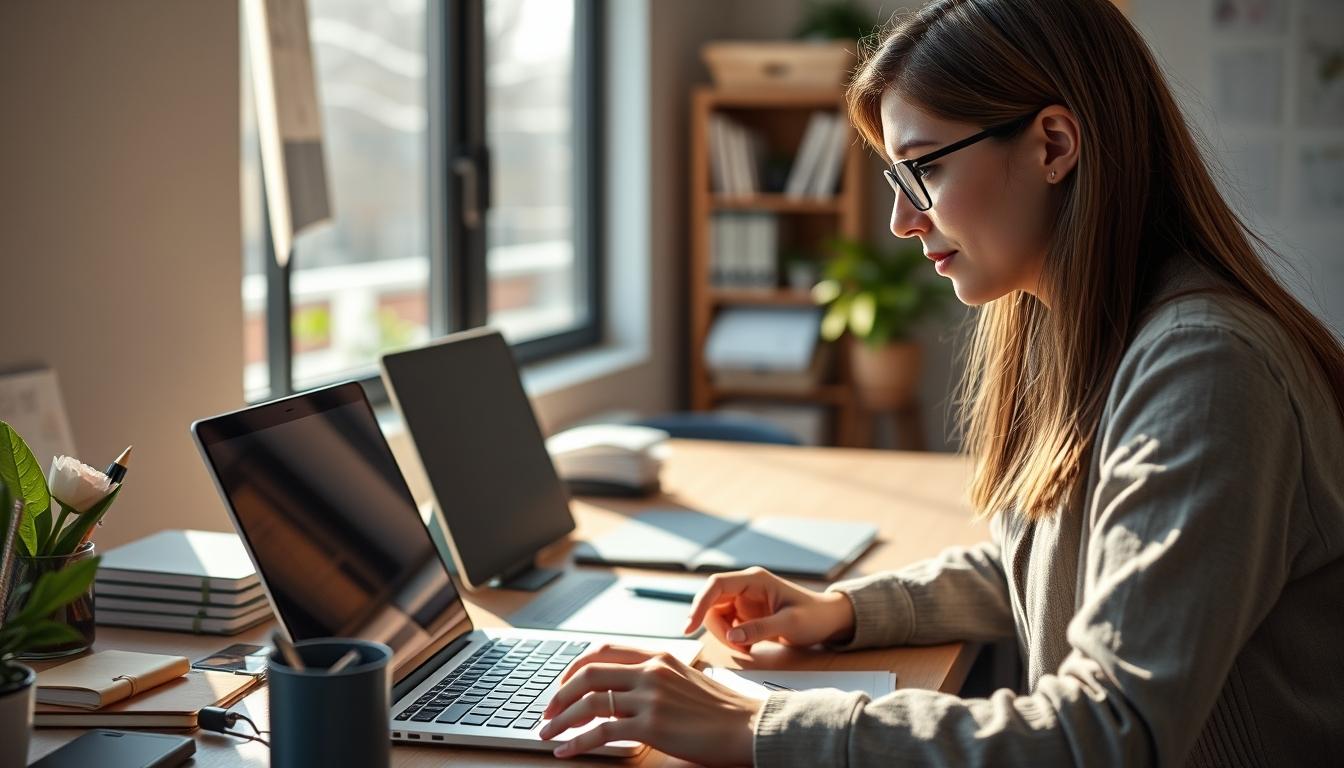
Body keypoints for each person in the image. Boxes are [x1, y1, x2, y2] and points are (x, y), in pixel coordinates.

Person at [539, 0, 1344, 763]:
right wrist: (845, 609)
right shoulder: (1086, 327)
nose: (901, 221)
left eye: (921, 169)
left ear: (1055, 145)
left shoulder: (1206, 372)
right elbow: (1045, 562)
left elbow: (1106, 734)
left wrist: (760, 723)